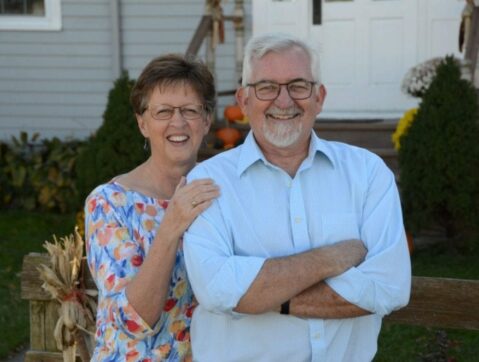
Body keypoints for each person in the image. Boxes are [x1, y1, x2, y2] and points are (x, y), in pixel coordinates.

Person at [183, 33, 411, 361]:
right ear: (243, 100)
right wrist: (329, 259)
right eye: (266, 87)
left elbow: (389, 288)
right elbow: (216, 289)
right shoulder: (208, 181)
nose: (284, 100)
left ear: (319, 97)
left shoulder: (367, 173)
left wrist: (265, 296)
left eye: (298, 85)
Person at [84, 54, 220, 361]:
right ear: (142, 123)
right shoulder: (110, 203)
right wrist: (171, 224)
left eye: (190, 110)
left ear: (207, 120)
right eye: (163, 112)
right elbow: (134, 321)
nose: (178, 122)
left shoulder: (220, 193)